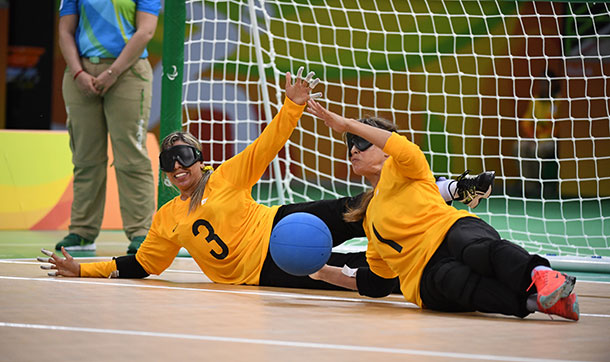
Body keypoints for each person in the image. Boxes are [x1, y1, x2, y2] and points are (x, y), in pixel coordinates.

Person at [37, 68, 493, 292]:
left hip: (281, 222)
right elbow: (141, 266)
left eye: (185, 159)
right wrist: (83, 270)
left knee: (362, 208)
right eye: (170, 163)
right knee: (365, 274)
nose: (178, 168)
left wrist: (292, 104)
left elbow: (268, 143)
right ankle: (441, 276)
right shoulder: (165, 220)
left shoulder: (225, 177)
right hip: (270, 270)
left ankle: (452, 189)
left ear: (199, 160)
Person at [306, 99, 579, 321]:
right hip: (425, 276)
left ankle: (542, 276)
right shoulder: (370, 218)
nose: (353, 149)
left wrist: (345, 124)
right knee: (453, 281)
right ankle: (540, 303)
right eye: (349, 144)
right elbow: (378, 282)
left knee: (473, 248)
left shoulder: (404, 166)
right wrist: (320, 271)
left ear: (386, 150)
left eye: (362, 141)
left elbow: (400, 146)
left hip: (451, 231)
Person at [56, 0, 161, 254]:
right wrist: (78, 72)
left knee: (131, 156)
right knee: (84, 157)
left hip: (128, 73)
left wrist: (112, 73)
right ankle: (82, 232)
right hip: (80, 73)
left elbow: (145, 31)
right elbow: (65, 31)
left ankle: (141, 232)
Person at [516, 71, 561, 198]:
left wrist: (540, 139)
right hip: (535, 138)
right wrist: (532, 137)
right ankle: (528, 186)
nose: (543, 87)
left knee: (536, 150)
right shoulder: (535, 100)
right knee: (519, 147)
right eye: (541, 84)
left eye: (546, 84)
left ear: (553, 85)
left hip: (553, 140)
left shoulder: (560, 101)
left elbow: (559, 127)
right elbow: (526, 122)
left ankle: (539, 185)